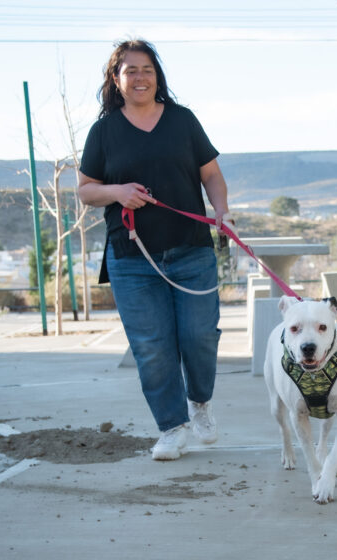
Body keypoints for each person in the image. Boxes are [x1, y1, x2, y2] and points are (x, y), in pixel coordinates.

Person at [78, 39, 233, 461]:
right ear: (117, 79)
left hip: (191, 250)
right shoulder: (104, 132)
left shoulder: (182, 121)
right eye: (131, 70)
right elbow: (86, 191)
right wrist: (117, 191)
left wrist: (221, 212)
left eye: (147, 69)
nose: (140, 77)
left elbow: (212, 176)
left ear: (157, 75)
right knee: (152, 346)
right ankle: (171, 427)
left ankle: (199, 402)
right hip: (132, 260)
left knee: (199, 336)